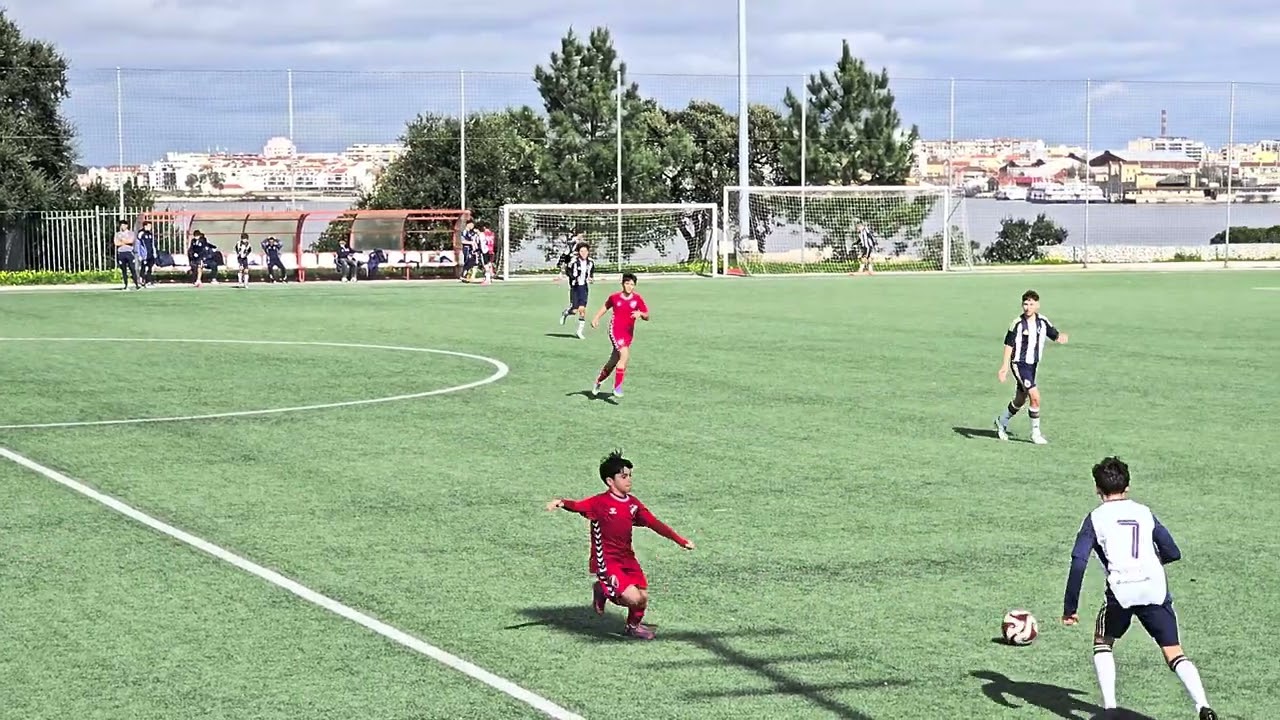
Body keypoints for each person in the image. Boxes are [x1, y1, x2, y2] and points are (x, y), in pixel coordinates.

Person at [1062, 456, 1217, 720]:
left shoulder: (1095, 518)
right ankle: (1203, 705)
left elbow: (1078, 562)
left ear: (1097, 489)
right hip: (1155, 588)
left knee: (1103, 643)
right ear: (1127, 487)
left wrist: (1070, 608)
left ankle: (1109, 710)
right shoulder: (1144, 512)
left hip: (1121, 591)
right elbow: (1172, 551)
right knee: (1173, 652)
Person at [545, 450, 694, 639]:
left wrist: (680, 541)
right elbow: (577, 506)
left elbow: (654, 523)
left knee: (642, 598)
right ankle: (602, 590)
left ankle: (632, 627)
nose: (629, 480)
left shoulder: (633, 504)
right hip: (606, 560)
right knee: (631, 598)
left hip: (627, 558)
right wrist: (560, 502)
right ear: (610, 481)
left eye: (630, 475)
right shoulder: (600, 503)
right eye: (623, 476)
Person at [995, 289, 1068, 444]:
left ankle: (1001, 421)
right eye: (1025, 304)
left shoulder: (1042, 321)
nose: (1027, 307)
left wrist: (1060, 337)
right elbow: (1009, 344)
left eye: (1031, 304)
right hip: (1019, 364)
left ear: (1037, 305)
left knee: (1020, 400)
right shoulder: (1017, 323)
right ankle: (1035, 434)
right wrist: (1004, 366)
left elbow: (1054, 334)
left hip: (1032, 365)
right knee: (1035, 396)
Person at [590, 272, 648, 397]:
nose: (629, 286)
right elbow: (605, 306)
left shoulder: (637, 299)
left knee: (613, 361)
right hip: (615, 330)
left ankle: (598, 381)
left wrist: (641, 314)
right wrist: (596, 318)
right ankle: (617, 387)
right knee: (624, 355)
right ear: (622, 284)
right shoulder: (615, 297)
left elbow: (647, 315)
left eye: (632, 284)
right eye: (627, 283)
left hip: (628, 333)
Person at [559, 242, 594, 339]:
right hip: (575, 288)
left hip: (584, 288)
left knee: (582, 310)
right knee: (574, 310)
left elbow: (591, 273)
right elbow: (568, 271)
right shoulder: (574, 262)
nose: (584, 253)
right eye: (581, 251)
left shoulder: (590, 262)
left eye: (585, 251)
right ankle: (566, 313)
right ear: (578, 252)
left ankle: (579, 331)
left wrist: (591, 278)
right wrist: (573, 278)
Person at [113, 221, 141, 290]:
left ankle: (136, 284)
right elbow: (116, 243)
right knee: (123, 270)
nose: (122, 227)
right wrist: (124, 242)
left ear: (127, 226)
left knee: (132, 268)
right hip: (121, 253)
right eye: (121, 225)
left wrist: (122, 241)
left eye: (124, 225)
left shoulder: (131, 233)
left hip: (129, 252)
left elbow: (131, 241)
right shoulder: (117, 234)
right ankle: (126, 285)